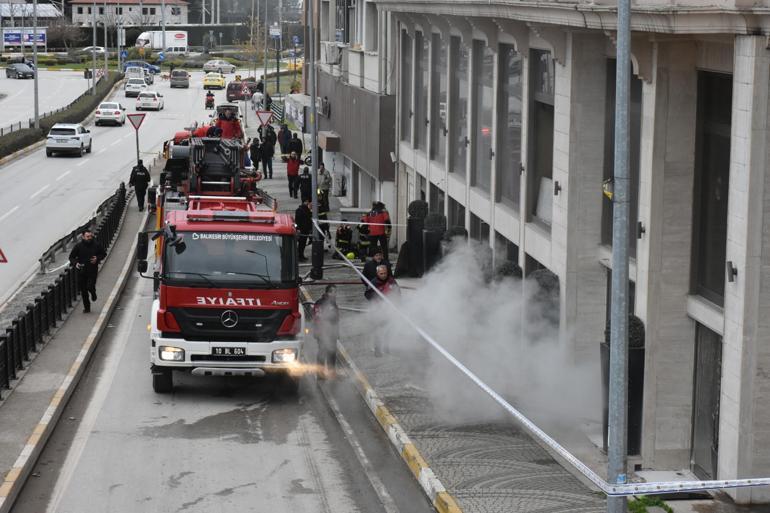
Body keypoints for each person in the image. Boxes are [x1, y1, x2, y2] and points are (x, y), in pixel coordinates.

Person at [69, 230, 106, 313]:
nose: (89, 238)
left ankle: (93, 293)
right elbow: (71, 257)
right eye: (87, 236)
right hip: (81, 271)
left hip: (92, 270)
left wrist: (97, 258)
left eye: (90, 236)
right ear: (83, 237)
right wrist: (76, 263)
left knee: (90, 286)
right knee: (84, 291)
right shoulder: (78, 246)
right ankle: (87, 308)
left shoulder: (96, 245)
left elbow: (103, 254)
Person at [366, 265, 400, 357]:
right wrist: (377, 297)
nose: (384, 275)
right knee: (378, 330)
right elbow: (367, 295)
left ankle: (386, 346)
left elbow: (398, 293)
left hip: (389, 310)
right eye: (381, 273)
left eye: (385, 273)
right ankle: (377, 349)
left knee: (389, 329)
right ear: (377, 273)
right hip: (377, 310)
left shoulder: (391, 281)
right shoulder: (373, 283)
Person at [313, 284, 339, 378]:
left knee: (331, 352)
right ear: (328, 292)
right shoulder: (323, 303)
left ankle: (329, 373)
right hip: (323, 331)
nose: (335, 294)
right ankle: (321, 373)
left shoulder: (331, 302)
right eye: (333, 292)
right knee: (324, 351)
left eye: (336, 292)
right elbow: (319, 318)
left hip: (330, 331)